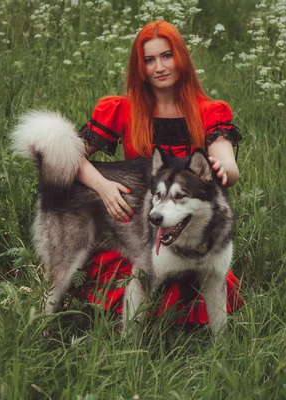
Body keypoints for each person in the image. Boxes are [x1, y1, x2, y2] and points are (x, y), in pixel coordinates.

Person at [75, 20, 242, 325]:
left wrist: (223, 168)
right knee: (134, 277)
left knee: (208, 282)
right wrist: (102, 186)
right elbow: (69, 157)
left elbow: (228, 165)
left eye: (166, 56)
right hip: (136, 228)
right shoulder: (122, 110)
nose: (159, 67)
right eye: (149, 60)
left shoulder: (208, 111)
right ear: (140, 68)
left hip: (189, 228)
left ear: (181, 58)